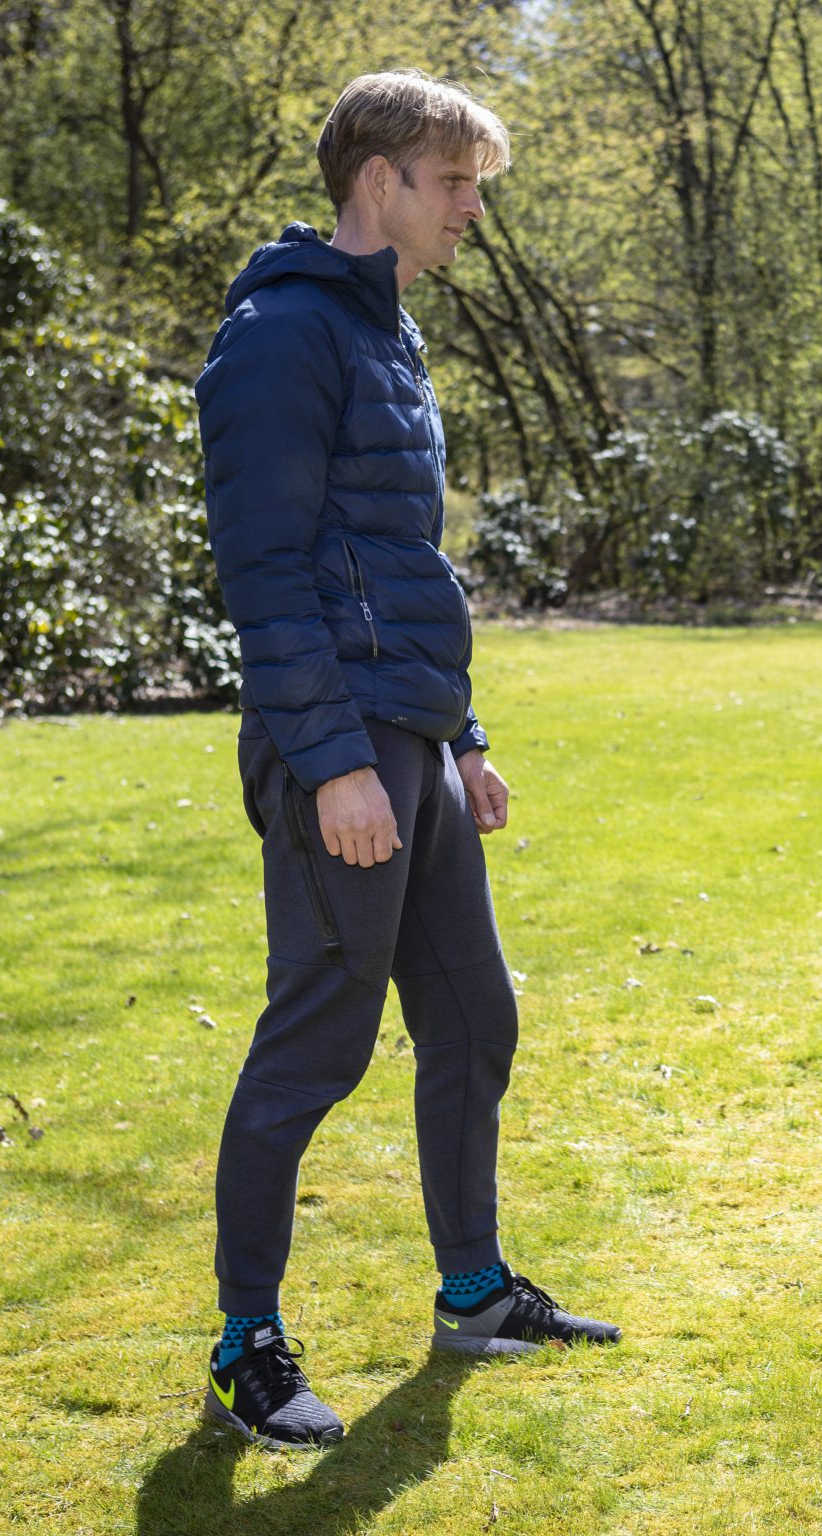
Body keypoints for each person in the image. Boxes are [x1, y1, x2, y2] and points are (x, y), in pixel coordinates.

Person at [194, 70, 619, 1452]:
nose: (471, 211)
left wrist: (462, 738)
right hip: (341, 744)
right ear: (376, 177)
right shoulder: (280, 337)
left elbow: (400, 563)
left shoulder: (390, 336)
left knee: (475, 1019)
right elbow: (266, 572)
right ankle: (247, 1341)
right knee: (318, 1039)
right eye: (455, 184)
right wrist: (332, 762)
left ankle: (474, 1293)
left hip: (412, 734)